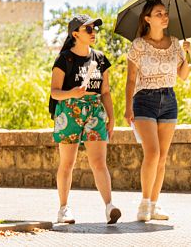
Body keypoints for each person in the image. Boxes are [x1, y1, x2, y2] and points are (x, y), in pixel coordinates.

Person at [124, 0, 191, 222]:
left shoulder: (174, 43)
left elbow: (182, 76)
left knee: (162, 157)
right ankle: (144, 204)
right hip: (144, 100)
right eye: (159, 13)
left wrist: (187, 54)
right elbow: (131, 79)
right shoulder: (138, 45)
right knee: (151, 153)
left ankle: (154, 204)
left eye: (165, 13)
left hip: (169, 100)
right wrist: (127, 107)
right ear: (147, 19)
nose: (164, 16)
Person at [50, 15, 121, 224]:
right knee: (67, 162)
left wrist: (111, 117)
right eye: (88, 29)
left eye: (94, 29)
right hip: (69, 110)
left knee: (99, 162)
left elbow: (105, 91)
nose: (93, 32)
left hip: (94, 110)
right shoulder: (64, 59)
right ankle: (63, 208)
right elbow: (55, 92)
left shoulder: (100, 58)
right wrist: (72, 92)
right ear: (75, 34)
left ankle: (109, 206)